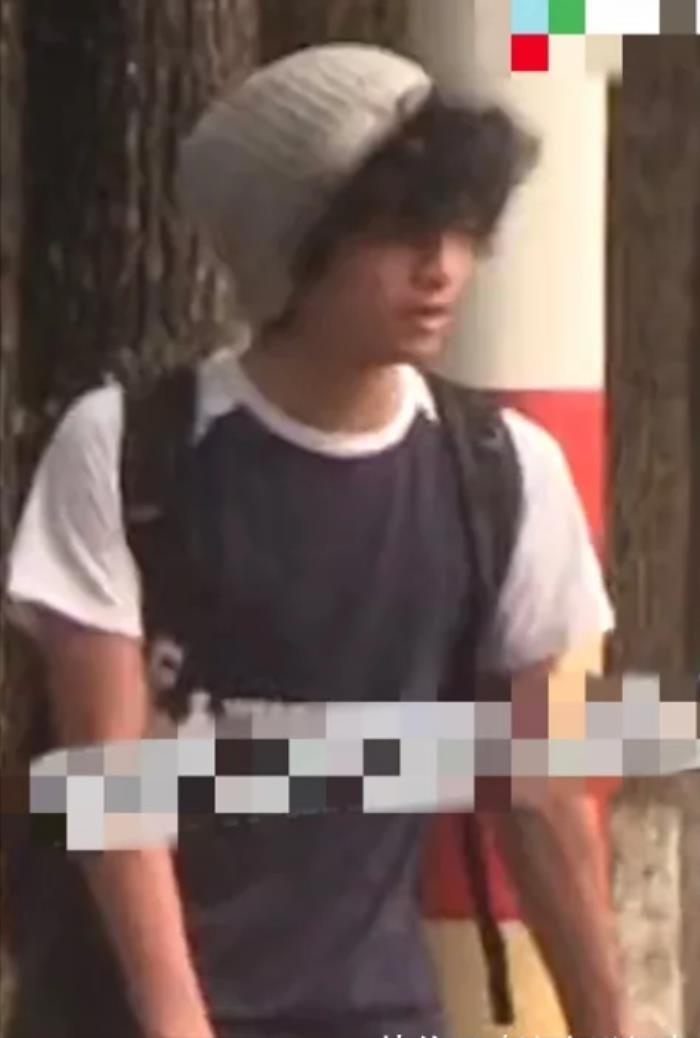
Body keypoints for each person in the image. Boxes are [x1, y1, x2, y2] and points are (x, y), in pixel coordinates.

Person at [6, 43, 627, 1038]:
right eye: (396, 230)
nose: (441, 266)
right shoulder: (129, 452)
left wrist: (610, 1023)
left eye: (458, 226)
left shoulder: (501, 474)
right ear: (289, 243)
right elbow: (107, 781)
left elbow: (541, 795)